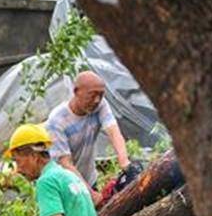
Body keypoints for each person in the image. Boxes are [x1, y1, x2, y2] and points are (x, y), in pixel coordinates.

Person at [44, 70, 140, 205]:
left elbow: (114, 132)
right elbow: (66, 164)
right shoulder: (57, 121)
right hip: (66, 186)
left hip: (89, 178)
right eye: (92, 95)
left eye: (101, 95)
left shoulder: (100, 105)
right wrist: (91, 194)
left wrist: (125, 163)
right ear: (76, 91)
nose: (97, 100)